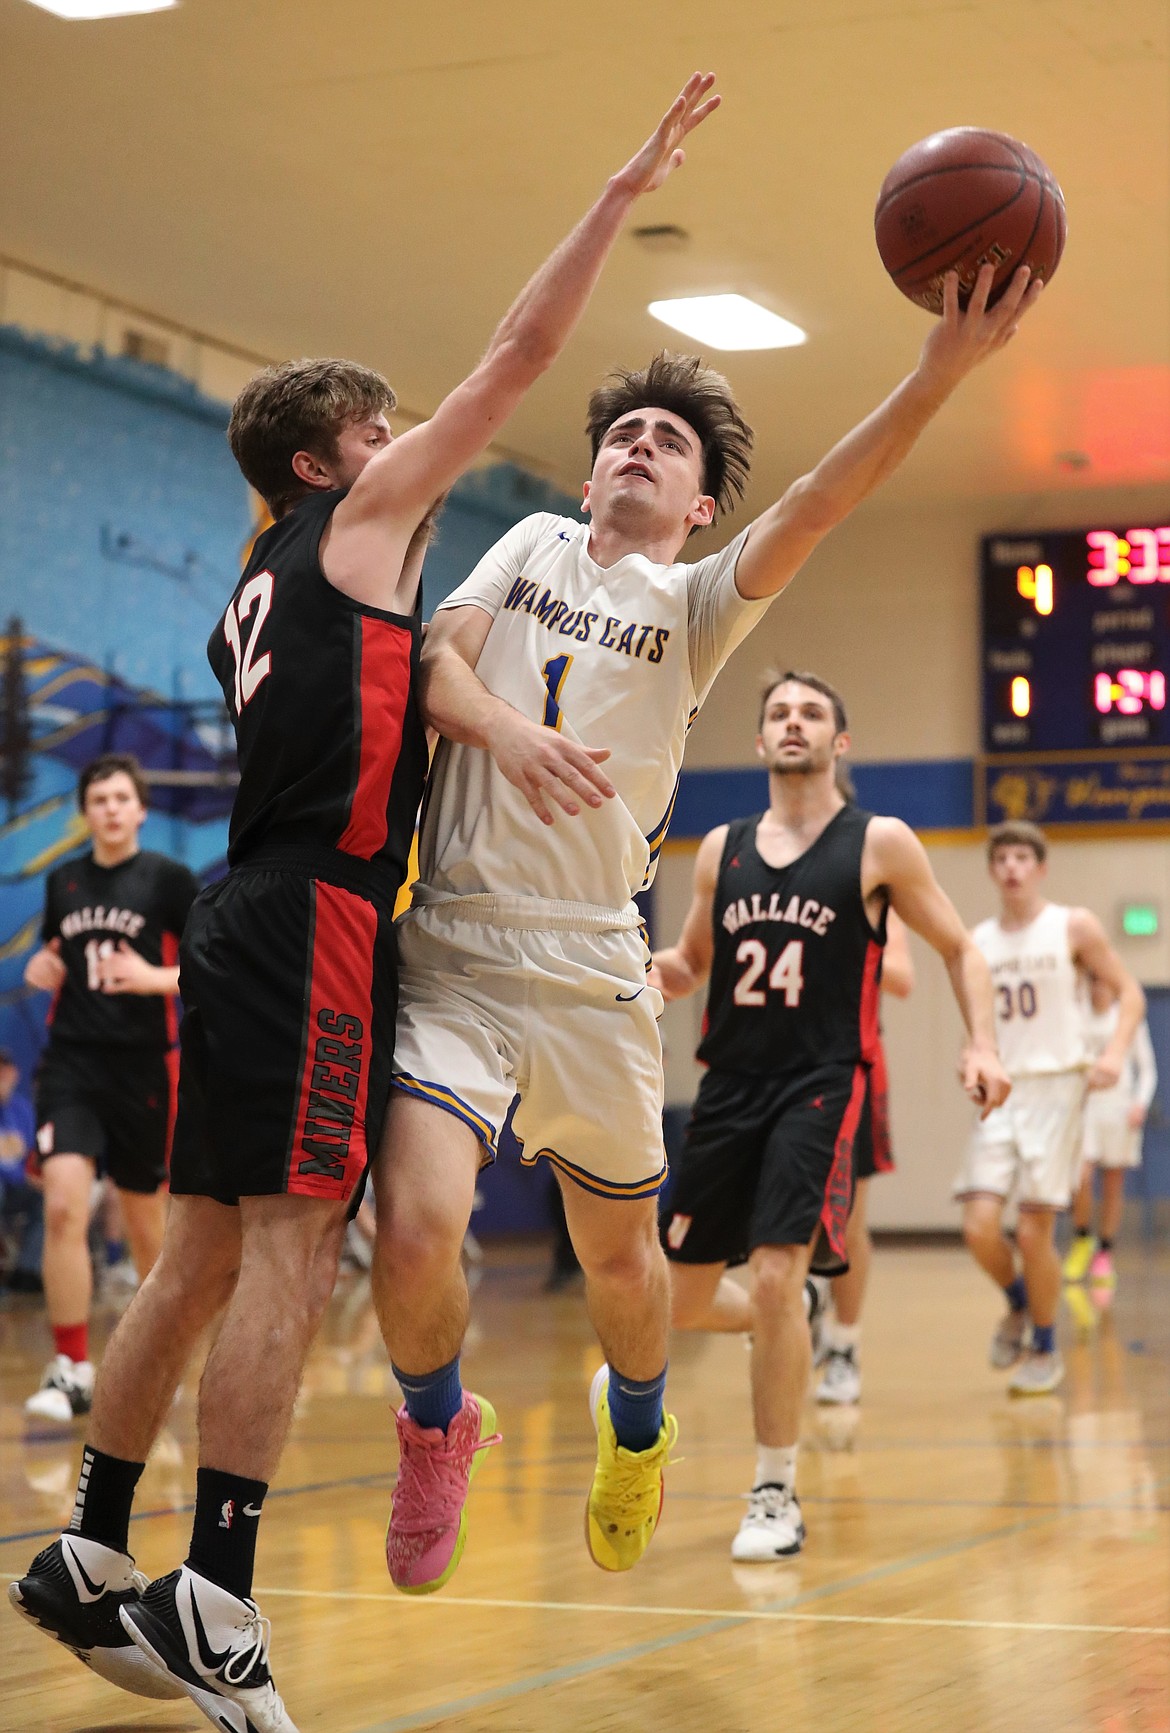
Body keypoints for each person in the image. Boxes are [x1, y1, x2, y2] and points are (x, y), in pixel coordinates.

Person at [9, 74, 724, 1733]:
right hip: (324, 919)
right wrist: (619, 194)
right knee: (286, 1255)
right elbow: (524, 362)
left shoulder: (250, 593)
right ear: (338, 455)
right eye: (392, 428)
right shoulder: (362, 518)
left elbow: (412, 685)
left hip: (246, 907)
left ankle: (93, 1550)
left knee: (188, 1260)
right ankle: (221, 1597)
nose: (420, 441)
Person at [370, 259, 1042, 1589]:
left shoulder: (691, 609)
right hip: (452, 940)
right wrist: (502, 730)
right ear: (587, 474)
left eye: (666, 442)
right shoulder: (526, 547)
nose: (636, 447)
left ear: (700, 506)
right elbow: (432, 663)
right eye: (621, 431)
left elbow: (819, 500)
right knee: (410, 1226)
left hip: (586, 963)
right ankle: (439, 1426)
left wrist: (936, 374)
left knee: (627, 1267)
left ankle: (637, 1433)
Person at [653, 671, 1010, 1559]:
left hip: (822, 1083)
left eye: (811, 712)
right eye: (778, 712)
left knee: (779, 1270)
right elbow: (692, 961)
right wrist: (645, 974)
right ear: (762, 738)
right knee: (683, 1299)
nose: (793, 722)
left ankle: (774, 1489)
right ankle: (784, 1331)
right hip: (728, 1084)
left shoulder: (878, 842)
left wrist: (984, 1044)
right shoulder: (720, 848)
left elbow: (962, 948)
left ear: (838, 741)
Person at [21, 754, 197, 1422]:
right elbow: (53, 956)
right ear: (86, 812)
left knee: (147, 1223)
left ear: (141, 809)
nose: (112, 808)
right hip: (71, 1064)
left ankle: (158, 1355)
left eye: (123, 797)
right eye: (100, 799)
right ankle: (70, 1366)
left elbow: (213, 965)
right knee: (65, 1205)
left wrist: (154, 977)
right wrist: (43, 965)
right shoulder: (64, 881)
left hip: (143, 1068)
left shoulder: (169, 880)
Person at [956, 821, 1145, 1396]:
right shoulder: (977, 942)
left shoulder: (1073, 925)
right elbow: (977, 1027)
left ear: (1041, 867)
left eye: (1023, 857)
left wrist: (1113, 1052)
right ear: (992, 870)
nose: (1012, 866)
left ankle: (1044, 1343)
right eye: (1002, 857)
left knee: (1036, 1233)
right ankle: (1018, 1301)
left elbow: (1131, 993)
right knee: (978, 1226)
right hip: (1004, 1090)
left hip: (1059, 1090)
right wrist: (971, 1061)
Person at [815, 907, 914, 1405]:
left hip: (853, 1065)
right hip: (777, 1064)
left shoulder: (871, 897)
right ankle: (809, 1307)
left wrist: (841, 944)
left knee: (847, 1216)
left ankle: (845, 1346)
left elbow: (902, 977)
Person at [1063, 981, 1156, 1292]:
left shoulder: (1127, 1017)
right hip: (1087, 1106)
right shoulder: (1078, 1016)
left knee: (1114, 1182)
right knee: (1082, 1176)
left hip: (1119, 1109)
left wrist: (1140, 1103)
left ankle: (1105, 1252)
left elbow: (1148, 1069)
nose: (1098, 989)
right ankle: (1081, 1238)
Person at [0, 1047, 42, 1292]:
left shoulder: (23, 1109)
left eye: (5, 1068)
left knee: (49, 1198)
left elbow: (32, 1155)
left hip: (19, 1186)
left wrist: (32, 1178)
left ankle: (26, 1271)